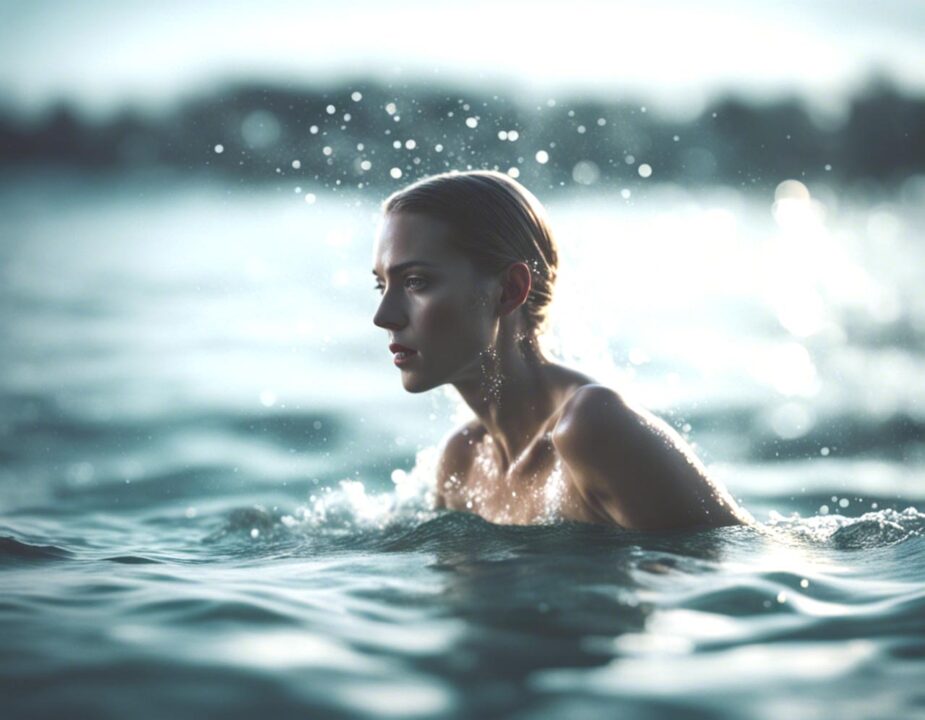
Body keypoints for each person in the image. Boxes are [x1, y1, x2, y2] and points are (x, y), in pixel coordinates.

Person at [371, 170, 751, 530]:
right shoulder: (463, 461)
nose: (383, 316)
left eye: (416, 282)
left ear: (509, 290)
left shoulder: (592, 428)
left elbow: (734, 567)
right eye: (381, 286)